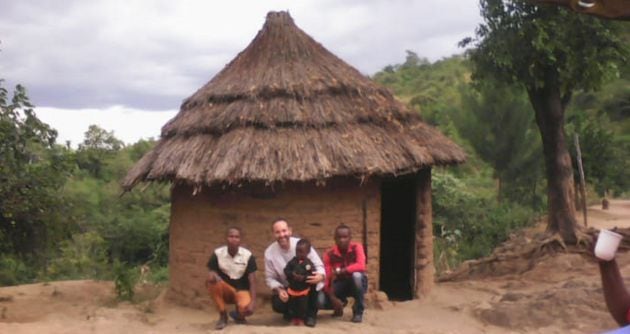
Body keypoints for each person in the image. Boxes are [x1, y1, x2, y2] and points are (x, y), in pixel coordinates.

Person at [264, 219, 325, 327]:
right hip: (290, 288)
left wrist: (320, 276)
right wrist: (279, 289)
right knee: (278, 304)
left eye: (284, 231)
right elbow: (270, 278)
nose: (282, 235)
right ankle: (291, 314)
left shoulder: (302, 245)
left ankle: (311, 315)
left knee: (320, 301)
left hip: (307, 287)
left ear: (290, 231)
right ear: (273, 234)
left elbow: (318, 265)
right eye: (277, 232)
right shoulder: (269, 253)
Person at [206, 227, 257, 330]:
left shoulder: (247, 256)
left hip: (241, 290)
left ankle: (238, 314)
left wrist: (253, 302)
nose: (233, 239)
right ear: (226, 238)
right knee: (211, 282)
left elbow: (253, 281)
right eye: (231, 236)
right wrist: (213, 276)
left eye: (237, 237)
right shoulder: (218, 254)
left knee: (245, 309)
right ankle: (223, 315)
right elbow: (211, 271)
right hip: (225, 289)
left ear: (240, 240)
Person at [319, 224, 367, 323]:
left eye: (345, 237)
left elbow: (361, 265)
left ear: (350, 238)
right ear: (335, 239)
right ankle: (340, 305)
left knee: (356, 276)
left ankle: (358, 311)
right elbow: (327, 278)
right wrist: (332, 298)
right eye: (339, 237)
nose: (342, 240)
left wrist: (343, 270)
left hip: (357, 284)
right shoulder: (329, 254)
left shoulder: (357, 247)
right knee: (321, 300)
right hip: (340, 284)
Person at [283, 238, 315, 325]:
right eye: (297, 251)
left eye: (301, 252)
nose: (298, 254)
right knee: (292, 305)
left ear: (307, 252)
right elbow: (286, 270)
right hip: (293, 289)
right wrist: (292, 274)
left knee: (302, 306)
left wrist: (303, 278)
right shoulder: (293, 261)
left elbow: (312, 275)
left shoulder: (309, 264)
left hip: (303, 290)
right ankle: (293, 318)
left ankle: (301, 318)